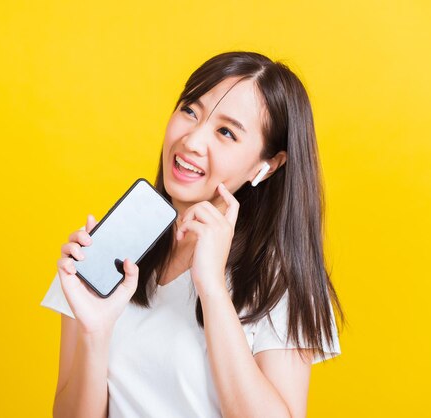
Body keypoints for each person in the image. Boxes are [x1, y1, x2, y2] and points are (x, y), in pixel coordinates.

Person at [40, 51, 344, 418]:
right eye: (190, 111)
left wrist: (213, 289)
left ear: (267, 165)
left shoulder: (280, 279)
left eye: (226, 132)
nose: (193, 141)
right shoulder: (106, 247)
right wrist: (94, 332)